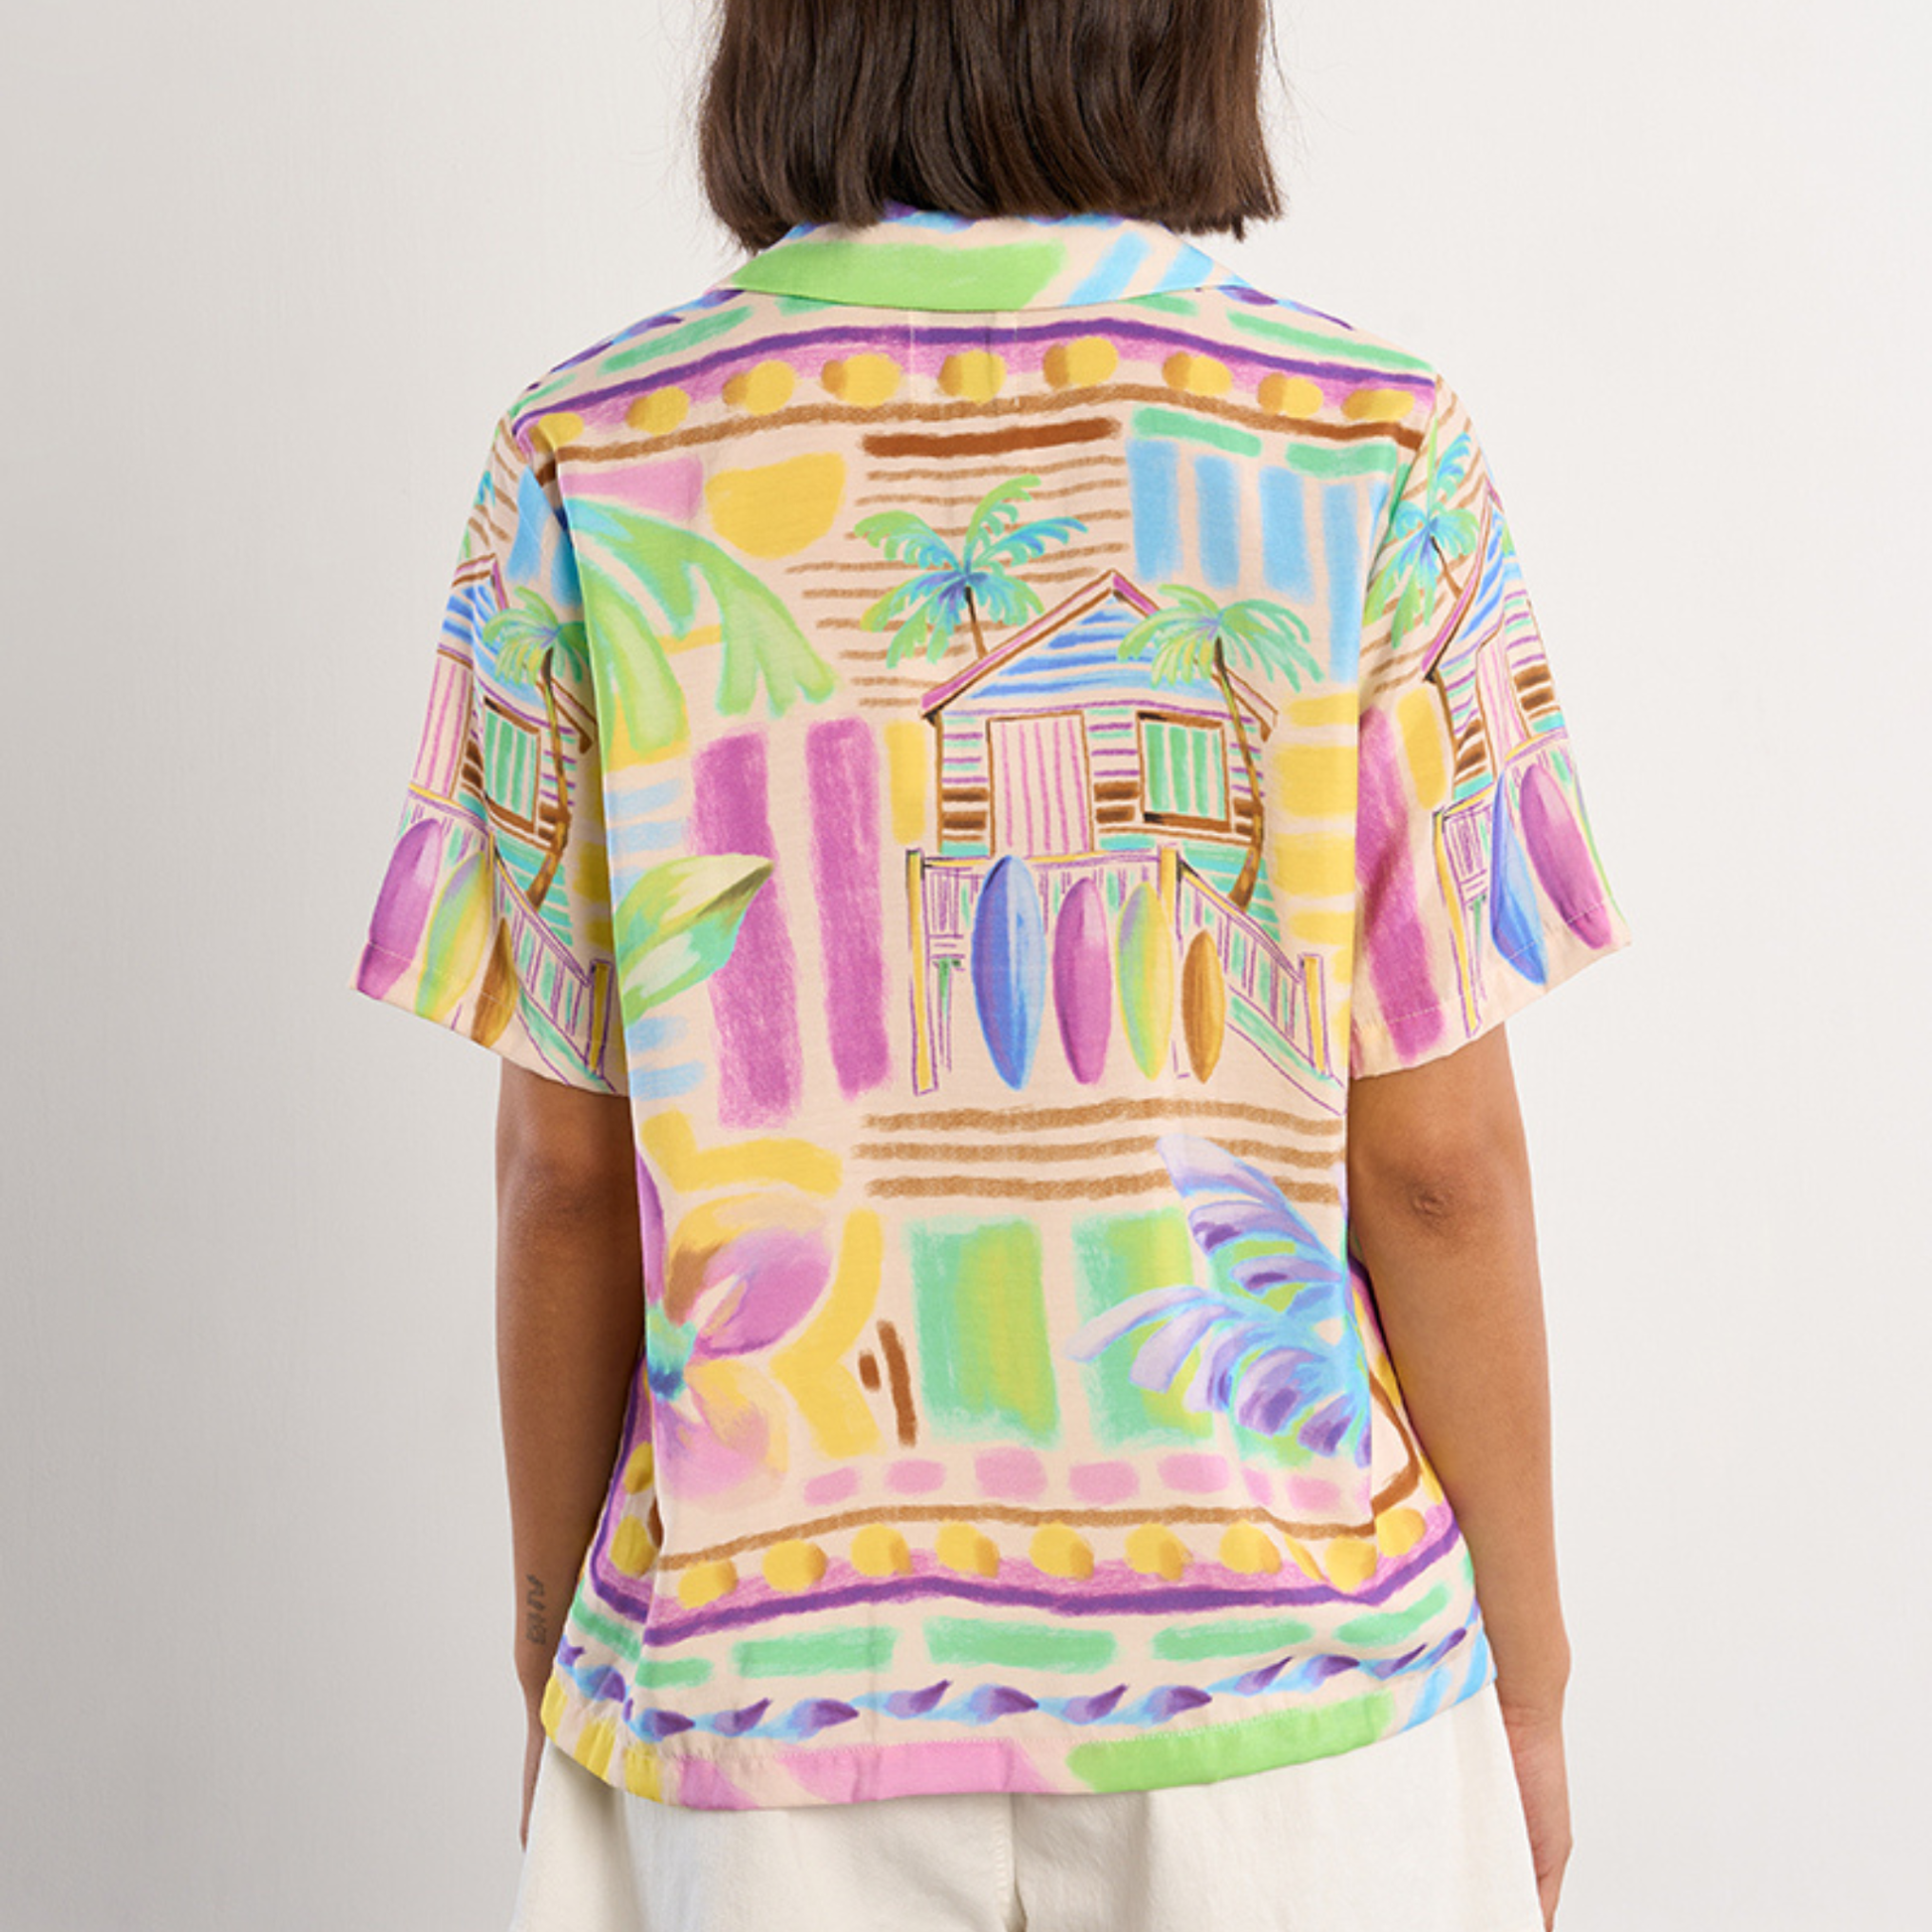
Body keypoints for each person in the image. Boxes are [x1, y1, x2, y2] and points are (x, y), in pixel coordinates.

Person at [348, 2, 1632, 1926]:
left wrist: (552, 1658)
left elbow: (563, 1181)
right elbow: (1437, 1168)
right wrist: (1529, 1672)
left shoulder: (585, 451)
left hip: (751, 1699)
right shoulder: (1367, 442)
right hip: (1291, 1687)